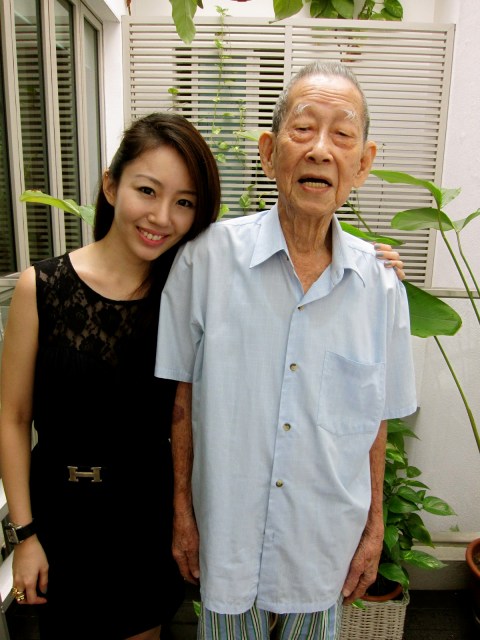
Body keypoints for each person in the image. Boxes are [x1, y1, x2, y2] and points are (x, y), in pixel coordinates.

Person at [154, 61, 417, 640]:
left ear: (364, 163)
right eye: (303, 129)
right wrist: (183, 513)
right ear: (270, 152)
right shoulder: (206, 260)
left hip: (322, 542)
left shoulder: (379, 287)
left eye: (342, 134)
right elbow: (182, 401)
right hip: (227, 535)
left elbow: (376, 420)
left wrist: (374, 528)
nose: (320, 149)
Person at [0, 112, 221, 640]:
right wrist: (24, 535)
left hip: (145, 517)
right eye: (148, 190)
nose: (162, 216)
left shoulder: (186, 296)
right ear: (111, 185)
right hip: (59, 515)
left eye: (184, 202)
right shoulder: (41, 288)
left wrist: (369, 267)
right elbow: (12, 416)